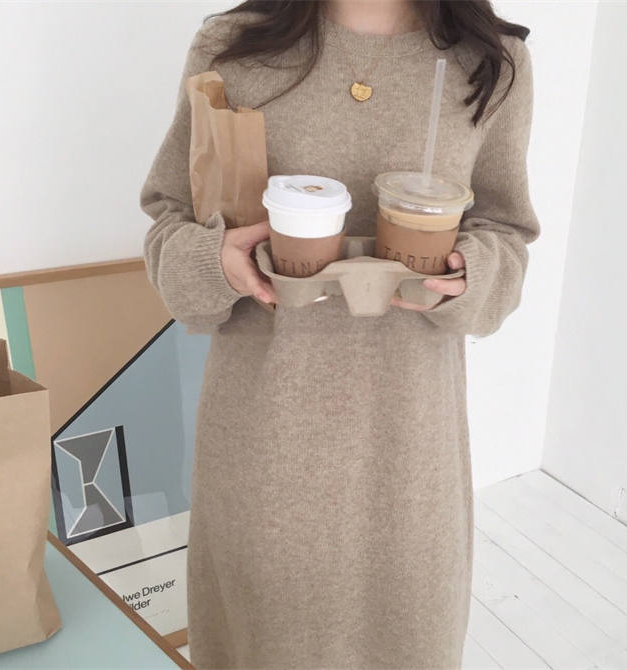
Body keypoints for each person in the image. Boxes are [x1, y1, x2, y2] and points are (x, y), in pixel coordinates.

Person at [139, 0, 540, 667]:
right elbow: (168, 222)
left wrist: (475, 271)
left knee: (405, 638)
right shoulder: (233, 49)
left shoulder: (492, 64)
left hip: (409, 450)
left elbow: (507, 232)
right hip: (265, 440)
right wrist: (215, 259)